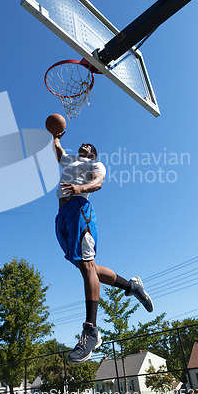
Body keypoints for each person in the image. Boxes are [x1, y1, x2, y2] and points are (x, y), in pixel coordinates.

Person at [53, 132, 154, 364]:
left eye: (89, 145)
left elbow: (98, 182)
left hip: (80, 209)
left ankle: (91, 331)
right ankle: (132, 286)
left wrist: (80, 189)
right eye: (83, 143)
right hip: (62, 216)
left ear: (93, 154)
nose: (84, 144)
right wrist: (55, 137)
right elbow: (59, 154)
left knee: (88, 266)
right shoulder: (69, 161)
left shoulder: (95, 164)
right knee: (88, 268)